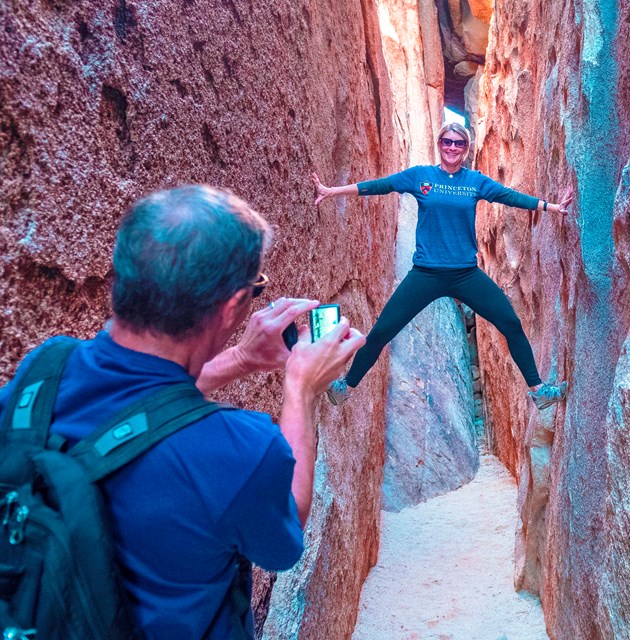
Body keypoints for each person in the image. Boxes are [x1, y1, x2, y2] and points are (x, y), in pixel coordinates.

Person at [0, 185, 365, 639]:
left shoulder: (43, 371)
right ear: (232, 306)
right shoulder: (239, 450)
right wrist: (301, 389)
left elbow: (135, 412)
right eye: (255, 291)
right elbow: (284, 537)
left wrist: (240, 360)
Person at [313, 122, 572, 411]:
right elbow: (380, 186)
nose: (452, 147)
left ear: (466, 149)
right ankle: (344, 388)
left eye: (458, 143)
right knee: (383, 330)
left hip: (465, 274)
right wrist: (334, 191)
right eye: (447, 142)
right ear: (439, 144)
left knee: (510, 322)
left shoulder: (475, 181)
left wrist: (551, 207)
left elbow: (508, 196)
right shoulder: (420, 176)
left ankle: (539, 392)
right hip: (426, 273)